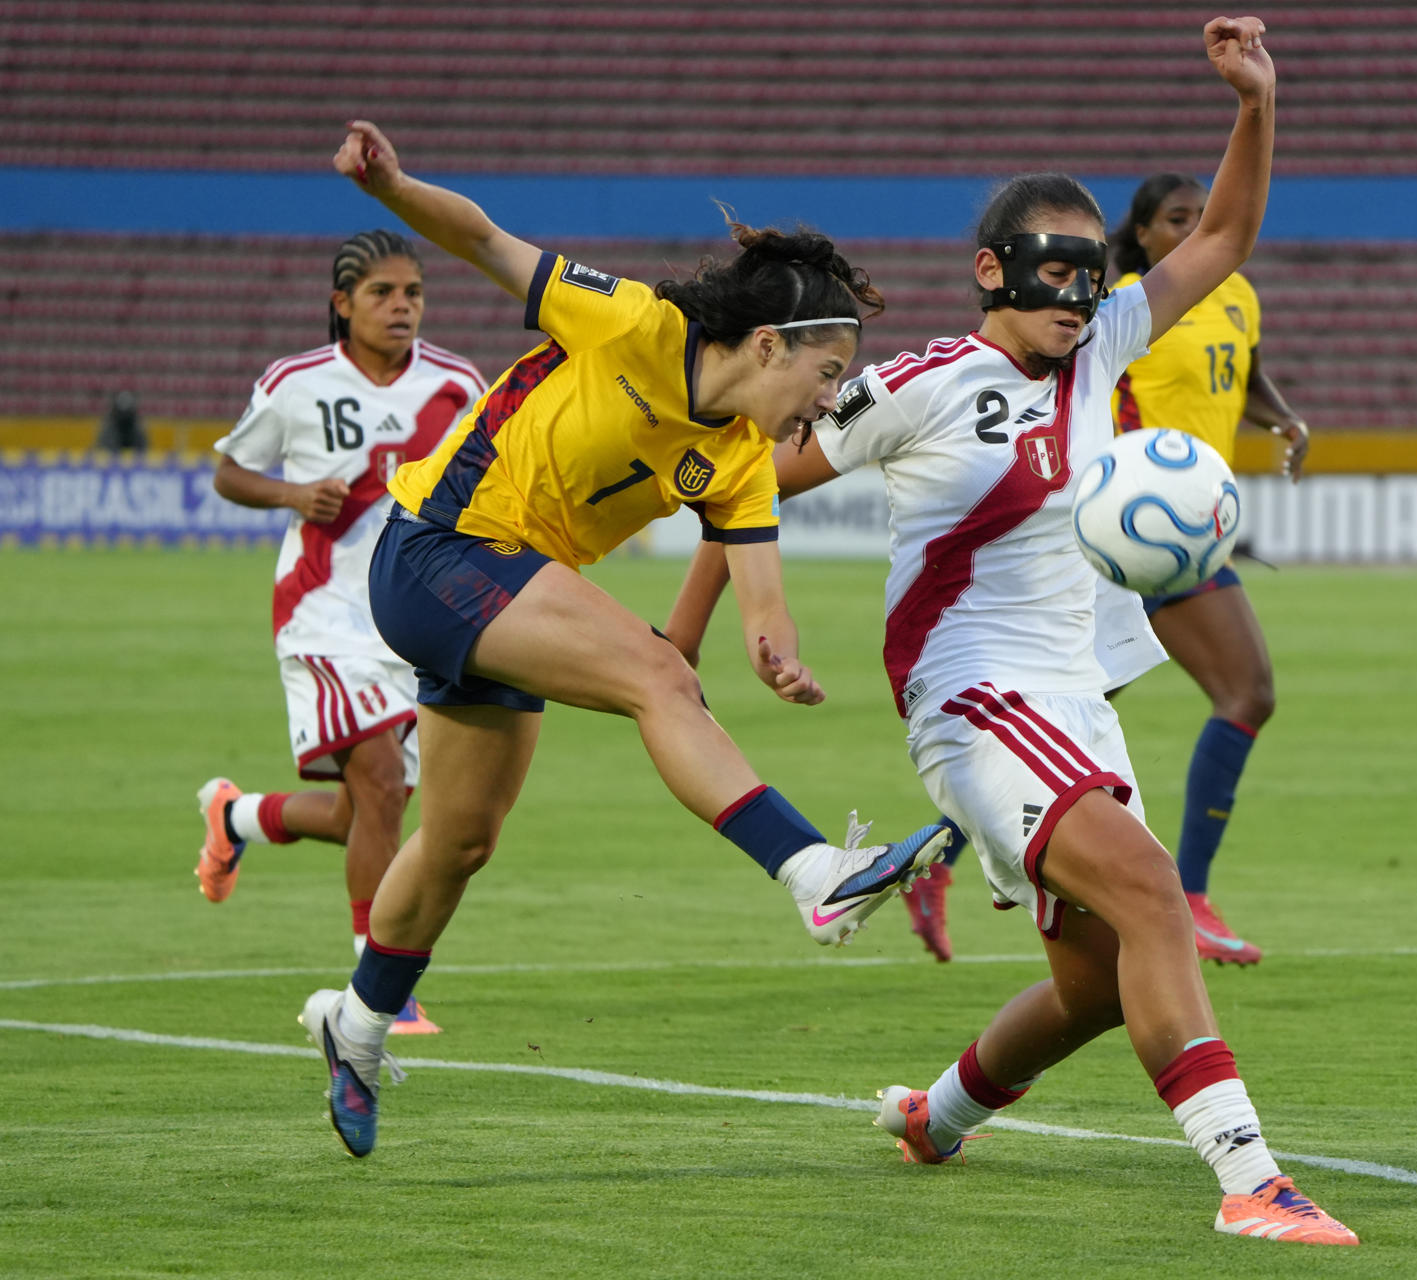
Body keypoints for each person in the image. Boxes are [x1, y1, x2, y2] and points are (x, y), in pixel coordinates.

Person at [686, 16, 1354, 1244]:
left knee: (1095, 985)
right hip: (972, 697)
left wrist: (1256, 103)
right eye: (1055, 266)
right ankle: (1252, 1178)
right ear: (994, 269)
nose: (1079, 290)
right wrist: (706, 630)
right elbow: (745, 477)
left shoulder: (1105, 347)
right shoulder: (923, 384)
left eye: (1092, 267)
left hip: (1074, 698)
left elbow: (1223, 236)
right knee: (1156, 894)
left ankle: (933, 1115)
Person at [297, 121, 950, 1158]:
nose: (830, 401)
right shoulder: (634, 323)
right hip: (435, 548)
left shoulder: (738, 458)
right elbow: (483, 238)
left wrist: (777, 653)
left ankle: (358, 1023)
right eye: (826, 373)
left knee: (461, 840)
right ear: (770, 343)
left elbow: (763, 602)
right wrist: (390, 183)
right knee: (656, 674)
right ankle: (814, 873)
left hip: (504, 593)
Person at [196, 229, 490, 1034]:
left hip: (417, 616)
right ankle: (381, 990)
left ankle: (239, 817)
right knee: (384, 790)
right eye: (383, 294)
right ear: (342, 304)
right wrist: (293, 496)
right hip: (322, 613)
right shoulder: (296, 382)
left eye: (414, 294)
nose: (402, 308)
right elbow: (229, 471)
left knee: (373, 809)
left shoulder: (460, 383)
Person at [1107, 171, 1311, 966]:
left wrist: (1281, 416)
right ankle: (1187, 896)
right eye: (1176, 219)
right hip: (1142, 522)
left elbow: (1245, 372)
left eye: (1202, 216)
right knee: (1247, 691)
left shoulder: (1239, 295)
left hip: (1190, 523)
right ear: (1146, 235)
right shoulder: (1127, 301)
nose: (1192, 229)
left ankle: (941, 859)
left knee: (1067, 707)